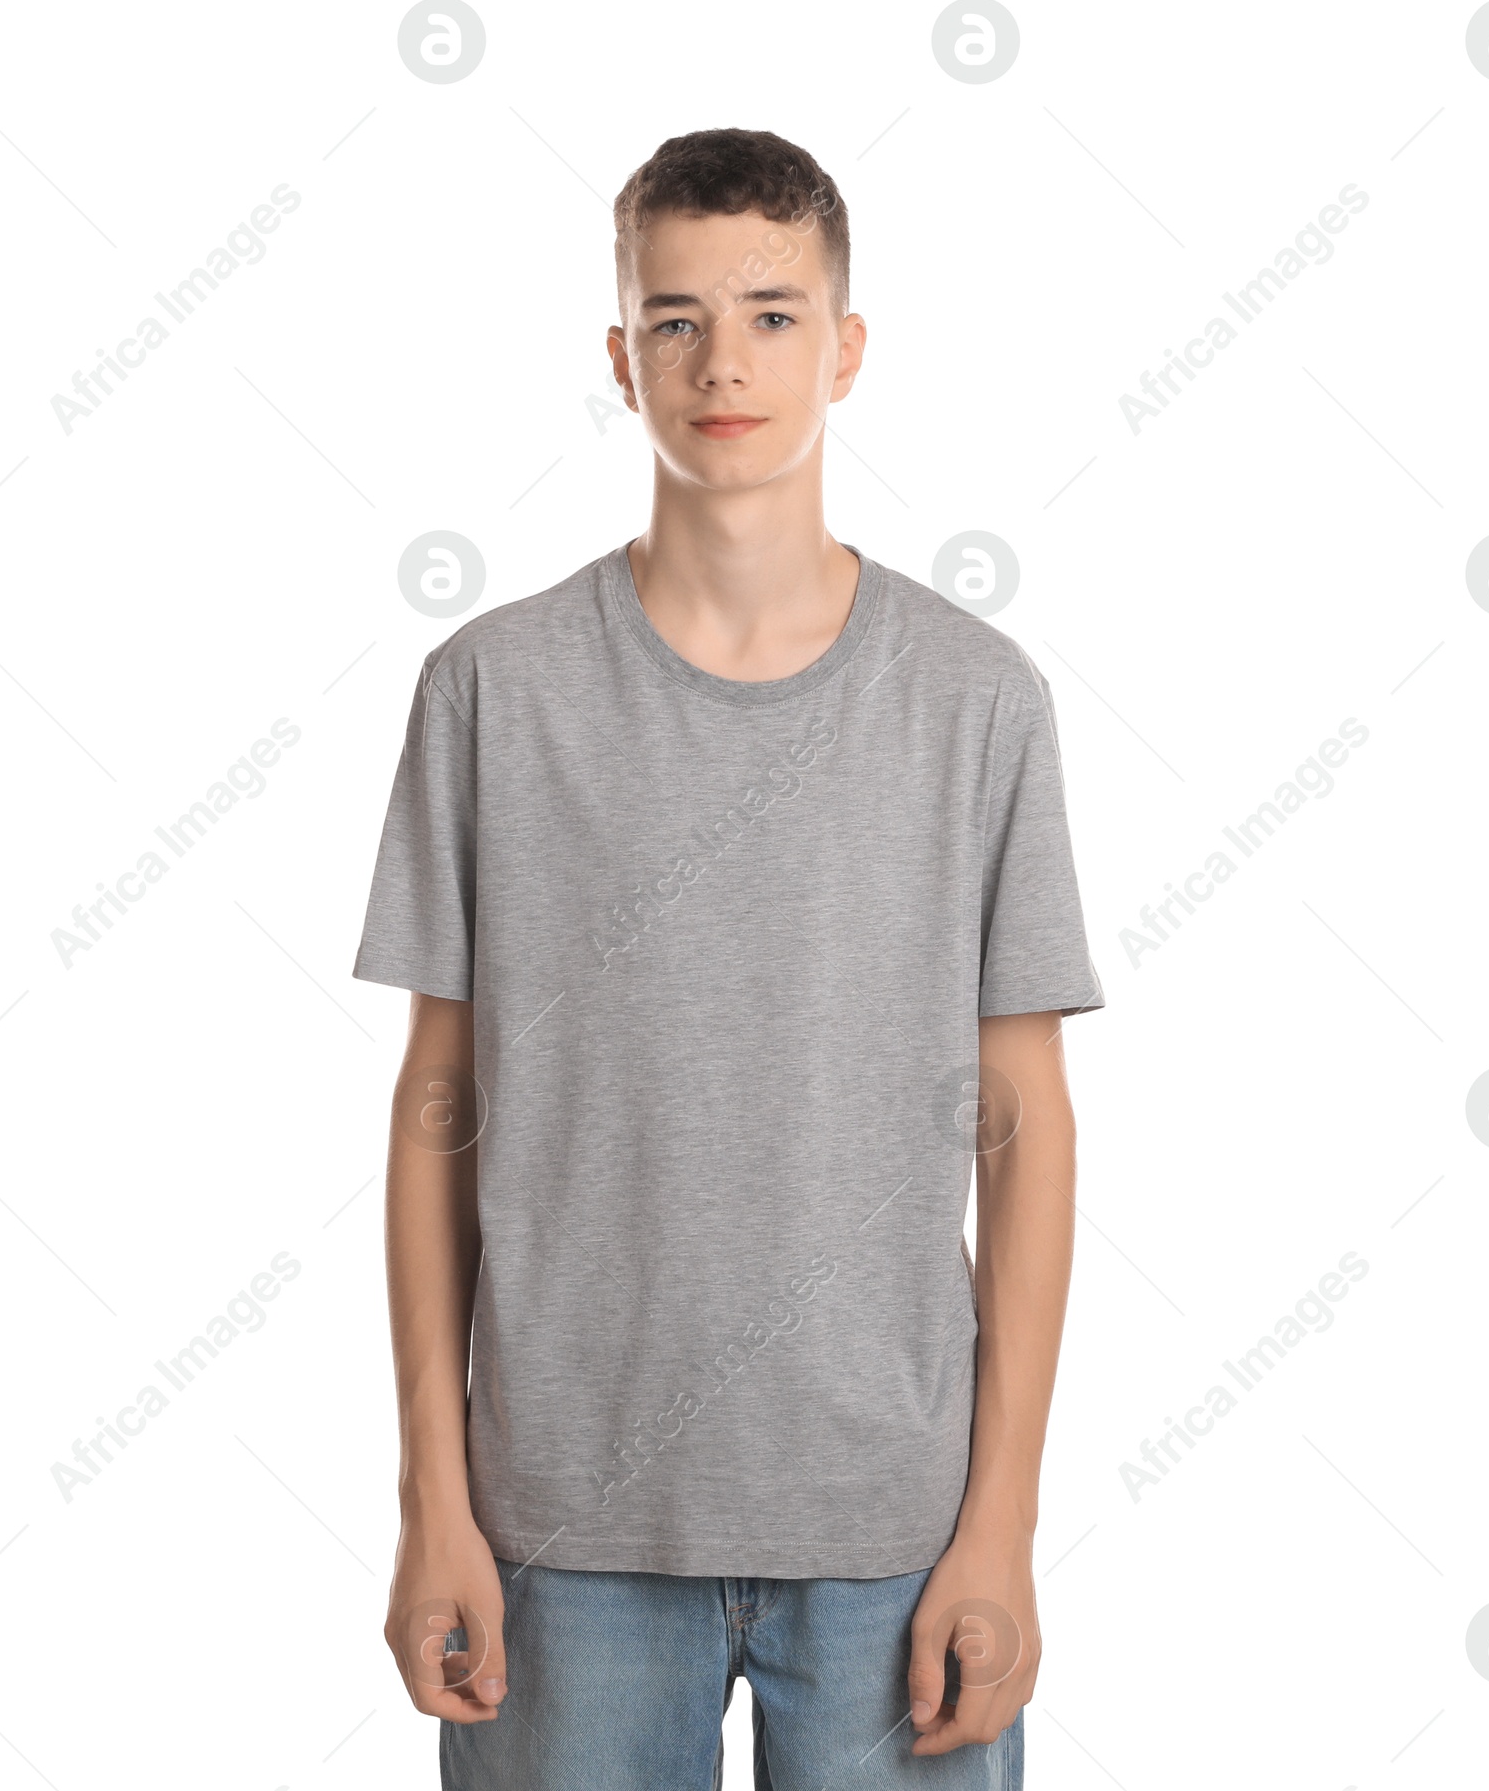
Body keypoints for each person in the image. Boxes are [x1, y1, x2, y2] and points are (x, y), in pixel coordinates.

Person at [352, 126, 1103, 1788]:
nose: (724, 362)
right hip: (558, 1534)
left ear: (846, 344)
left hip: (893, 1531)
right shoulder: (495, 691)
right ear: (621, 360)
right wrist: (433, 1505)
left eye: (771, 313)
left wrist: (1002, 1528)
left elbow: (1026, 1123)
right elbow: (436, 1104)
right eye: (676, 318)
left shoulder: (977, 699)